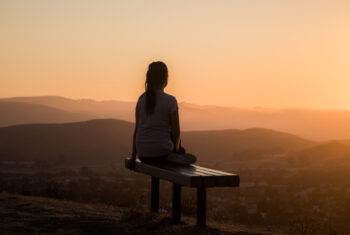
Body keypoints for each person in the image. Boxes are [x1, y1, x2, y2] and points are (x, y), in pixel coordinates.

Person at [129, 61, 196, 169]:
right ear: (165, 78)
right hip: (161, 154)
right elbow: (176, 132)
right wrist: (176, 151)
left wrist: (133, 156)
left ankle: (177, 155)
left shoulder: (141, 100)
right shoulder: (170, 100)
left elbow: (136, 130)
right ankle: (177, 156)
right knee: (180, 147)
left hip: (143, 155)